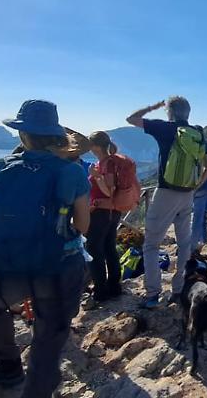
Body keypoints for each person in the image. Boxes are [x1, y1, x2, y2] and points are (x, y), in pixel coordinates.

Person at [0, 100, 91, 398]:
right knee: (49, 334)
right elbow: (84, 225)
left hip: (7, 265)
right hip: (55, 267)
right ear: (56, 133)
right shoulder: (71, 171)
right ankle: (37, 391)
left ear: (22, 134)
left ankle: (7, 365)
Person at [127, 96, 207, 309]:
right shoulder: (197, 134)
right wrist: (195, 185)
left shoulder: (165, 128)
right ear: (188, 113)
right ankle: (178, 289)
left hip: (165, 192)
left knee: (151, 245)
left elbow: (131, 118)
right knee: (184, 244)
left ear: (170, 112)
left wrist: (152, 106)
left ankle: (153, 294)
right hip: (187, 194)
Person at [83, 131, 130, 309]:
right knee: (109, 248)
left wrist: (95, 176)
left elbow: (110, 190)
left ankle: (101, 291)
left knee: (94, 250)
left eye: (90, 144)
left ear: (96, 146)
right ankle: (114, 287)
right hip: (112, 212)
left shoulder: (107, 163)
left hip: (102, 212)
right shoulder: (108, 162)